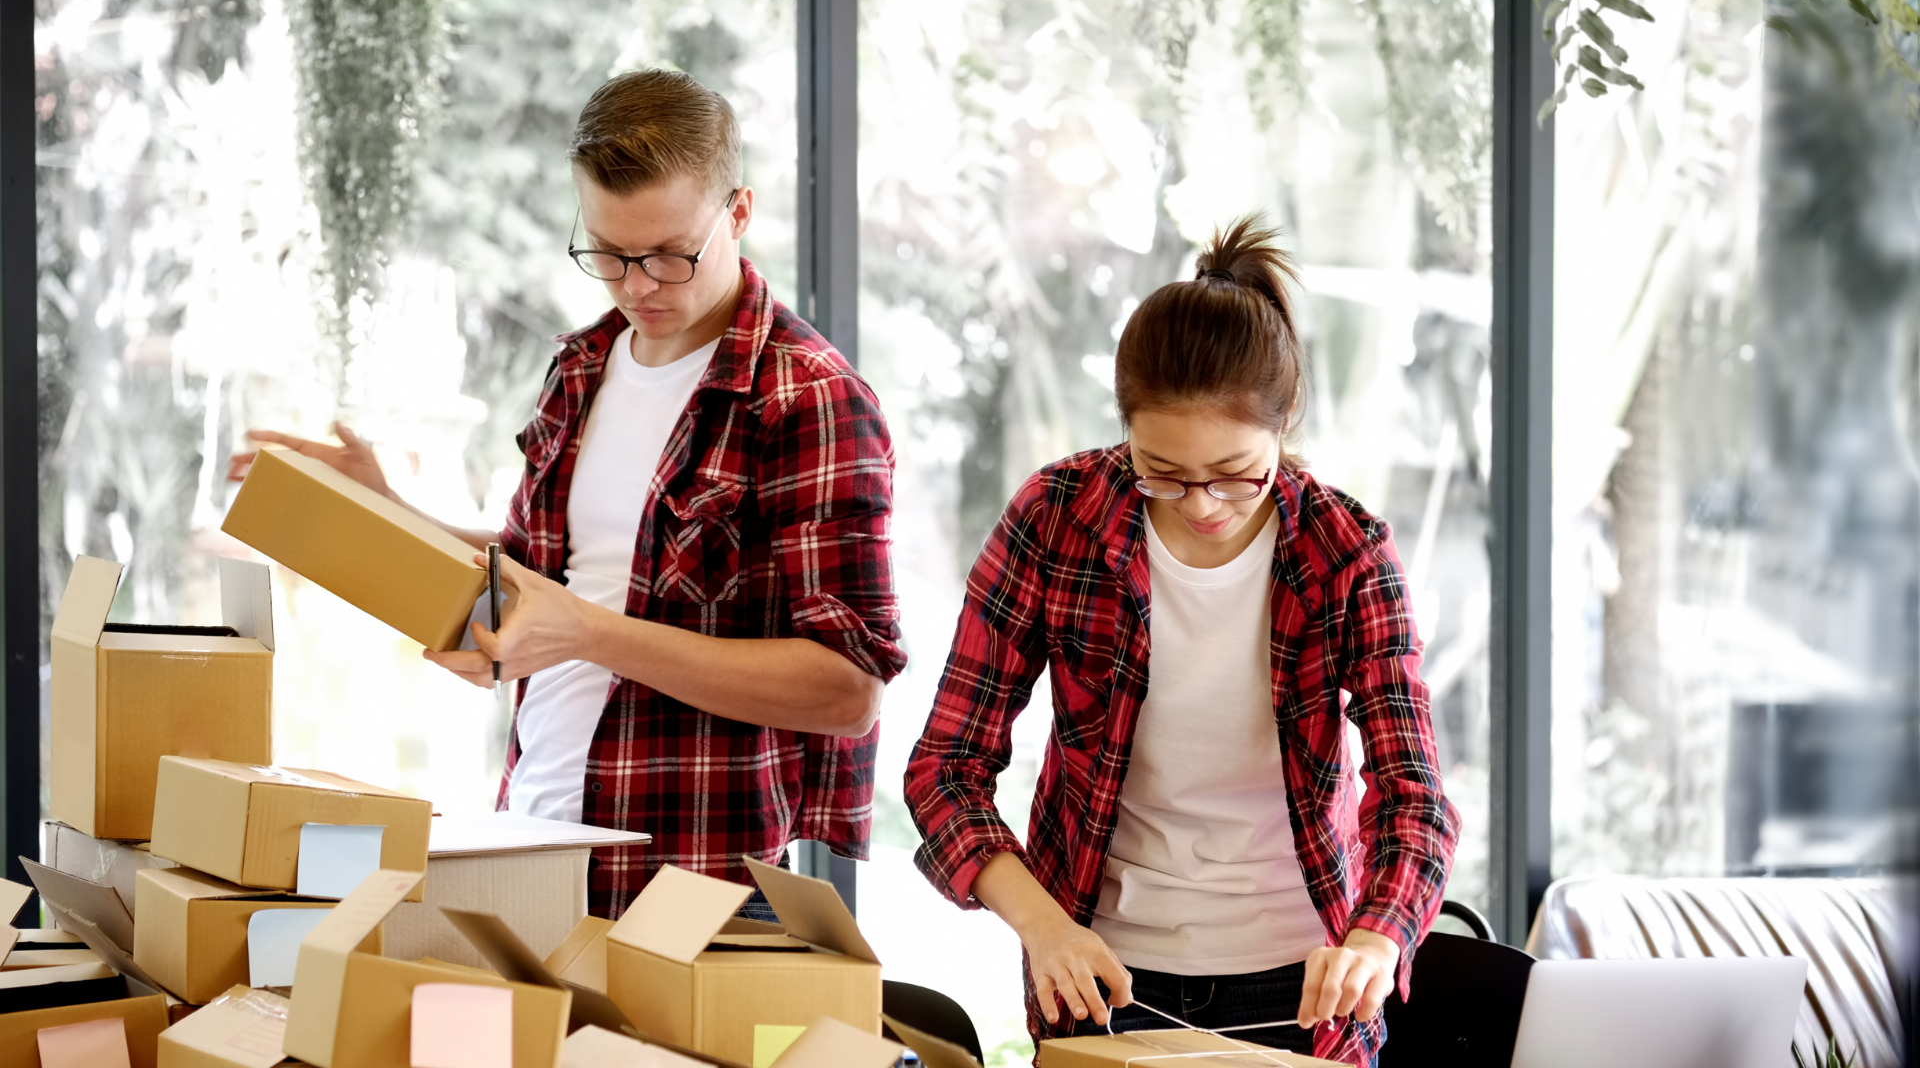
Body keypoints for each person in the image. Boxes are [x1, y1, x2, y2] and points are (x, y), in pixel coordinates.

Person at [229, 70, 905, 919]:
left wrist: (590, 635)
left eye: (669, 254)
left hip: (696, 890)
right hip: (531, 841)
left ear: (738, 213)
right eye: (610, 255)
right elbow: (559, 577)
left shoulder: (807, 396)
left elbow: (847, 690)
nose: (638, 288)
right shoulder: (583, 366)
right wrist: (387, 509)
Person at [903, 217, 1459, 1066]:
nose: (1201, 504)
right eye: (1160, 470)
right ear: (1124, 425)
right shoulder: (1057, 520)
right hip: (1101, 974)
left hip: (1304, 985)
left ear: (1285, 425)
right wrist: (1043, 928)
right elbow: (946, 768)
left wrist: (1377, 944)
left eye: (1238, 474)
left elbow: (1413, 798)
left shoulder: (1346, 553)